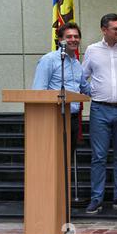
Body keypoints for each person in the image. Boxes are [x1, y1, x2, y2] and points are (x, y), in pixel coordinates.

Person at [82, 13, 117, 214]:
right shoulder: (92, 50)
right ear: (104, 30)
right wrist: (93, 92)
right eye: (116, 29)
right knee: (98, 156)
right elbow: (83, 77)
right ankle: (96, 198)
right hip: (100, 109)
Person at [32, 22, 90, 159]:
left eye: (76, 36)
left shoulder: (77, 64)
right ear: (60, 40)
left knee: (67, 159)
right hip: (55, 117)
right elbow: (38, 92)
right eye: (69, 36)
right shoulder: (48, 60)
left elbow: (85, 89)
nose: (73, 40)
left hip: (73, 118)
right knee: (53, 158)